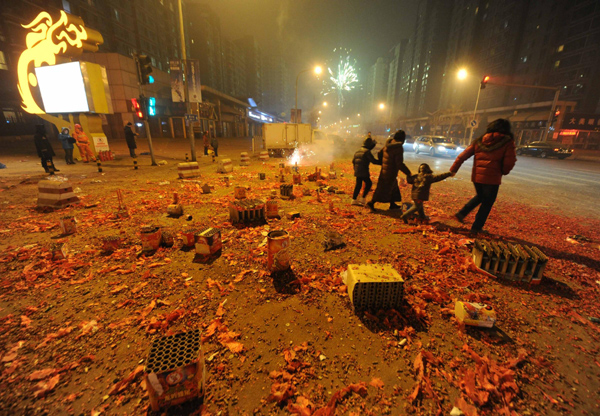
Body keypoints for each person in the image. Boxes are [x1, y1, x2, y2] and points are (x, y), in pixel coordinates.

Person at [450, 118, 517, 234]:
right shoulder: (507, 142)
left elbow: (462, 156)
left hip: (477, 177)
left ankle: (461, 214)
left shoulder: (479, 141)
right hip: (492, 179)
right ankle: (476, 228)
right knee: (487, 203)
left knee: (481, 197)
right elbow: (509, 162)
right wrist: (504, 171)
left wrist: (453, 169)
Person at [366, 129, 412, 211]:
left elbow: (380, 153)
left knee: (393, 187)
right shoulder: (398, 147)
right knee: (383, 189)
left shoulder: (389, 144)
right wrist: (408, 172)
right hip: (391, 171)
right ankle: (371, 202)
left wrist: (382, 161)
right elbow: (399, 163)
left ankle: (392, 204)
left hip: (385, 169)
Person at [351, 136, 381, 206]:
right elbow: (373, 161)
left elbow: (353, 161)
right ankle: (363, 198)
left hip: (357, 170)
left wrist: (355, 169)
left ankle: (354, 199)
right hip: (364, 170)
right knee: (369, 183)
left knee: (358, 185)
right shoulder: (367, 152)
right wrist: (382, 162)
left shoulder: (358, 151)